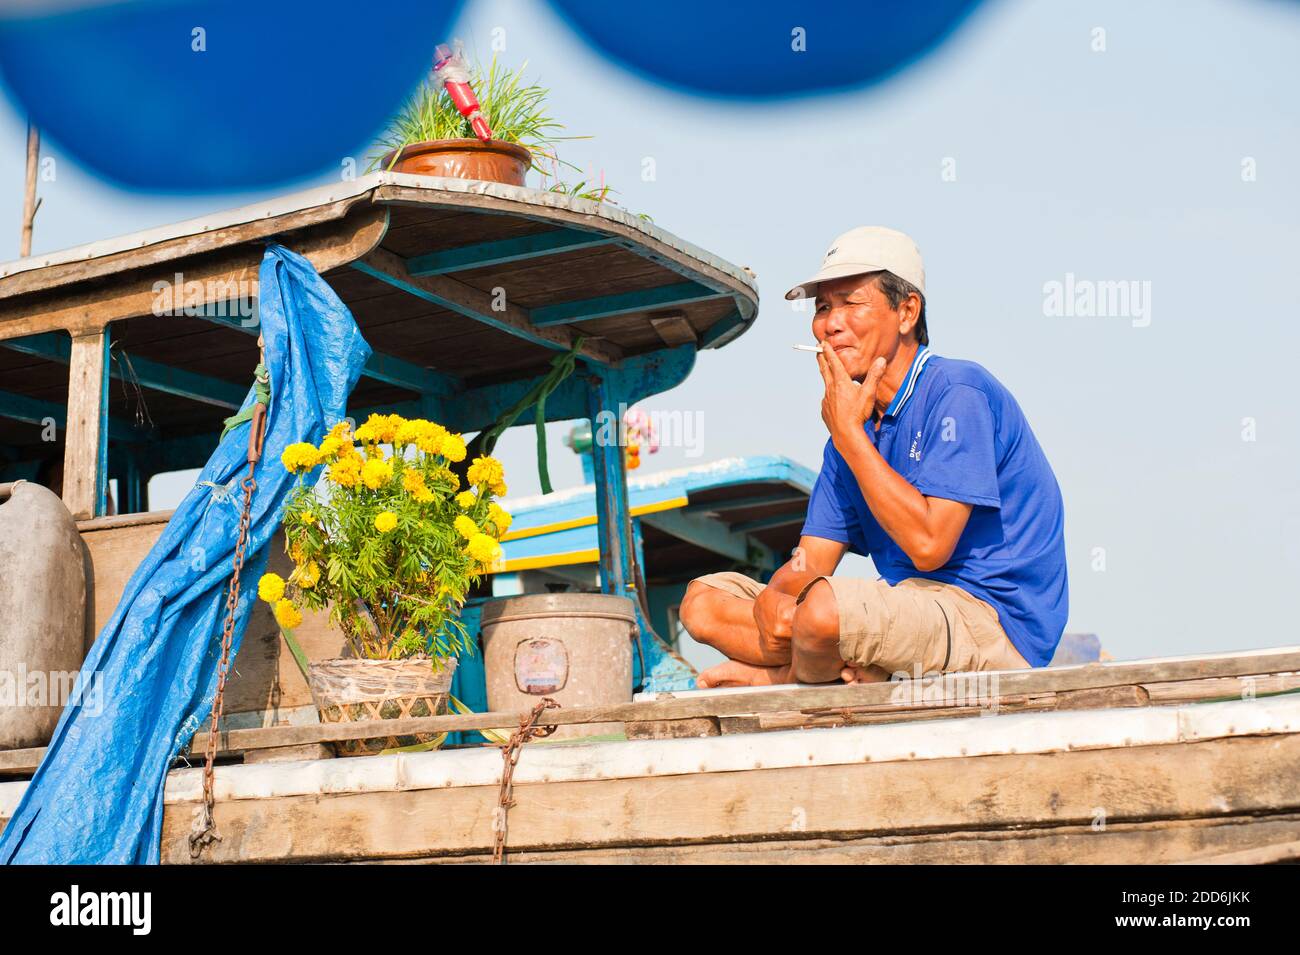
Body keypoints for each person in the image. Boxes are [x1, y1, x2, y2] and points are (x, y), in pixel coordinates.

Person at [680, 226, 1067, 688]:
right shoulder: (852, 431)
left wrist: (849, 435)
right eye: (823, 307)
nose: (830, 323)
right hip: (904, 608)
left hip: (986, 621)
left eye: (850, 302)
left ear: (906, 312)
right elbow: (811, 562)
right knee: (702, 602)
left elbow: (928, 547)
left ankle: (785, 675)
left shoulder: (957, 392)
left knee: (822, 612)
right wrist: (778, 603)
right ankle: (823, 665)